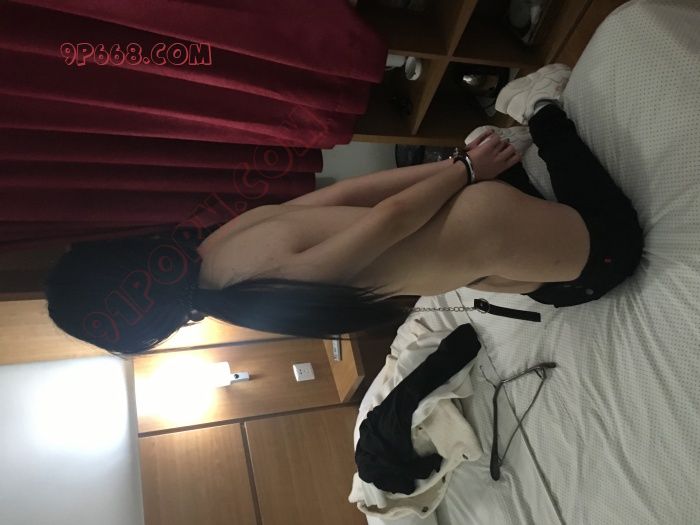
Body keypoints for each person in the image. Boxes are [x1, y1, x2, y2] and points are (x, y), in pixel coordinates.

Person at [46, 64, 643, 353]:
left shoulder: (244, 293)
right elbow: (350, 197)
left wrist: (465, 168)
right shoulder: (216, 241)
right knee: (541, 263)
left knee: (609, 250)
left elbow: (386, 219)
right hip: (487, 221)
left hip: (503, 229)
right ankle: (534, 122)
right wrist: (458, 167)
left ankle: (542, 114)